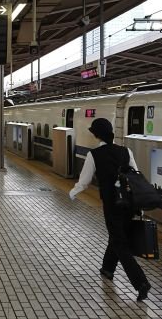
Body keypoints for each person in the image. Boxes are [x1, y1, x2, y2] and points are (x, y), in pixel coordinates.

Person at [69, 118, 151, 302]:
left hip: (112, 205)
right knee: (117, 237)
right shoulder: (125, 151)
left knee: (120, 243)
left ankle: (141, 283)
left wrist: (73, 192)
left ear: (96, 134)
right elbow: (135, 176)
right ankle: (107, 269)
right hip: (129, 205)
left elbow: (84, 181)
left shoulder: (94, 154)